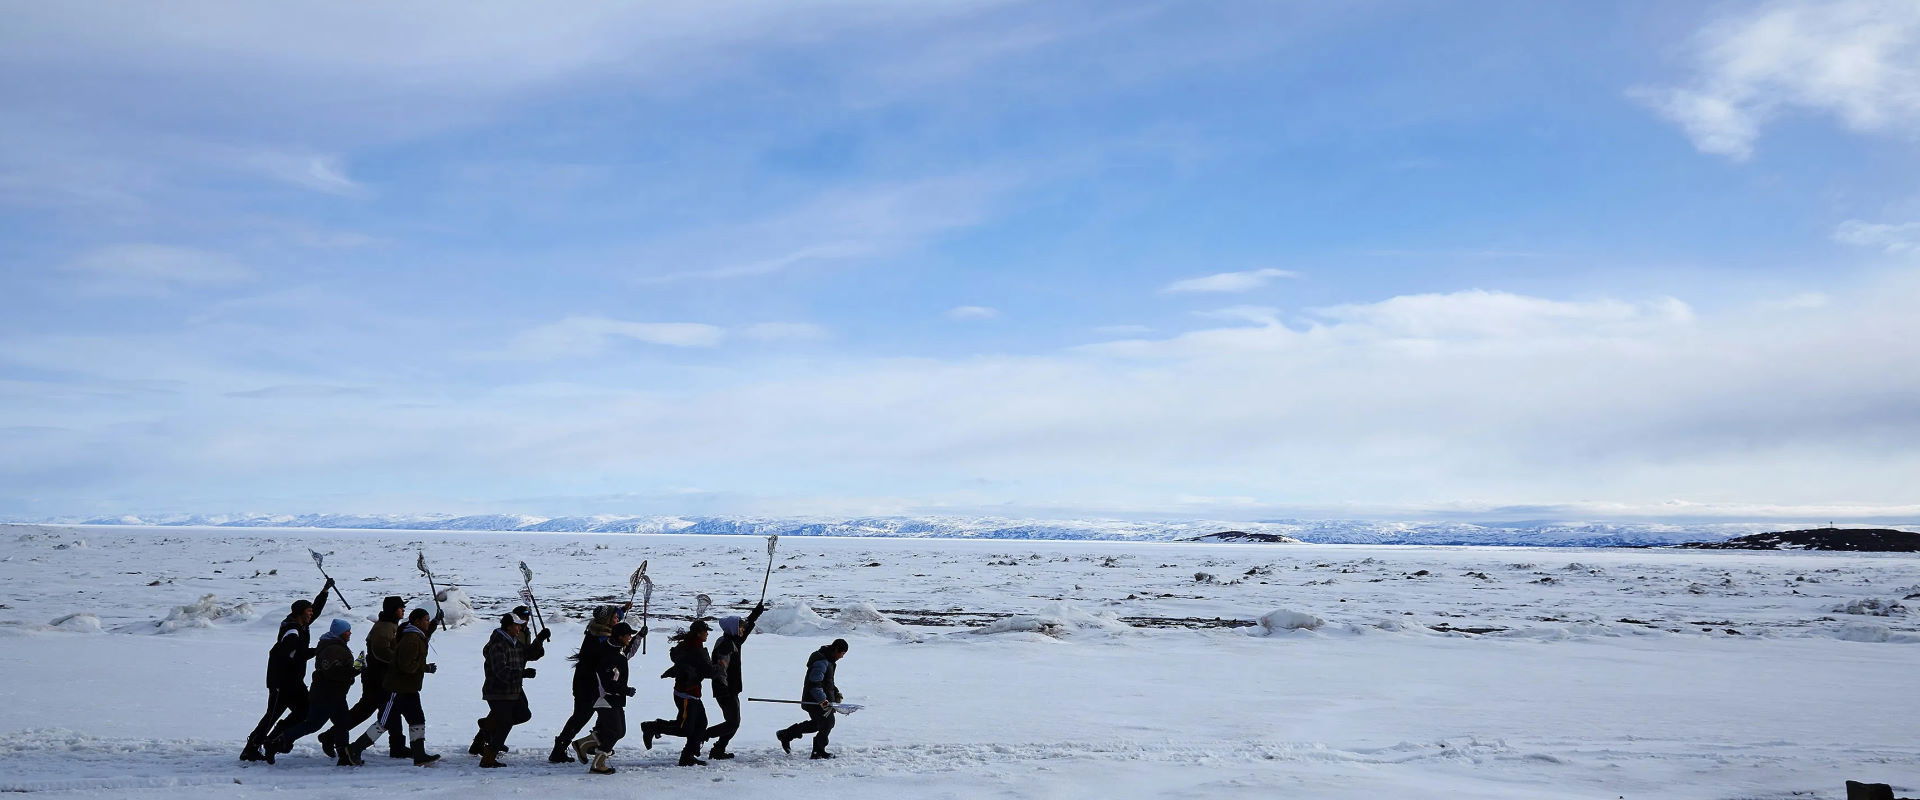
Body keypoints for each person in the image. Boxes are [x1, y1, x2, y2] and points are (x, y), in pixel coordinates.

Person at [240, 579, 332, 762]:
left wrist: (325, 591)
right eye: (308, 612)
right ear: (299, 614)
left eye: (311, 611)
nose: (311, 614)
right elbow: (297, 654)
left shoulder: (300, 623)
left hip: (294, 681)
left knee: (304, 711)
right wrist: (319, 650)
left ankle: (274, 737)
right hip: (281, 683)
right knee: (272, 715)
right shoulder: (292, 632)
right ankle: (251, 748)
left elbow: (316, 610)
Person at [346, 607, 442, 766]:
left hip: (409, 689)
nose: (427, 622)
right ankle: (355, 748)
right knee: (384, 722)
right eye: (425, 620)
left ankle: (419, 755)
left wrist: (435, 622)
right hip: (397, 689)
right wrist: (425, 667)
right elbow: (406, 666)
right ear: (417, 621)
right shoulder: (411, 638)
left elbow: (425, 636)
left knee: (417, 719)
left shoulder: (415, 634)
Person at [548, 603, 643, 763]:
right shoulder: (601, 638)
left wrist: (623, 609)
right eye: (615, 617)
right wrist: (637, 639)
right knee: (582, 717)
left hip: (593, 683)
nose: (618, 619)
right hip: (588, 684)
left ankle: (593, 744)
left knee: (602, 717)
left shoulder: (599, 629)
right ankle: (561, 748)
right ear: (606, 619)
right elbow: (620, 655)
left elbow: (613, 618)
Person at [264, 619, 361, 765]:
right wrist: (355, 670)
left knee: (342, 723)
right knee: (313, 724)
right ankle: (276, 743)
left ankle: (344, 756)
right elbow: (333, 672)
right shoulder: (333, 648)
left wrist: (353, 669)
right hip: (326, 694)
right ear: (341, 632)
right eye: (347, 630)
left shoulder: (333, 645)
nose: (350, 633)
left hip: (335, 693)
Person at [323, 596, 409, 760]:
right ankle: (332, 735)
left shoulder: (389, 625)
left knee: (387, 709)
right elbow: (381, 652)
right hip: (377, 677)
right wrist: (399, 661)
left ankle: (397, 745)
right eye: (400, 608)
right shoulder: (384, 628)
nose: (403, 610)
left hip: (380, 676)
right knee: (371, 711)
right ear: (393, 610)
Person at [472, 606, 550, 767]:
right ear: (508, 626)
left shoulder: (514, 642)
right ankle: (488, 758)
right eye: (518, 624)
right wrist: (523, 673)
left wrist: (540, 639)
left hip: (513, 688)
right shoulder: (499, 644)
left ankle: (488, 725)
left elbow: (530, 654)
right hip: (498, 690)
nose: (521, 627)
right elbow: (501, 672)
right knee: (505, 722)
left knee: (523, 714)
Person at [639, 620, 723, 766]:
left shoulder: (689, 645)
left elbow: (687, 665)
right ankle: (653, 727)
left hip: (689, 692)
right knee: (685, 728)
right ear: (699, 633)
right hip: (687, 693)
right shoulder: (696, 649)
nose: (707, 633)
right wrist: (720, 667)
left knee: (700, 724)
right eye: (705, 631)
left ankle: (687, 756)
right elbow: (708, 671)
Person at [573, 622, 638, 775]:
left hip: (611, 698)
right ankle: (598, 764)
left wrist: (639, 637)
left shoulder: (615, 650)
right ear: (620, 637)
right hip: (604, 698)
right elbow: (608, 683)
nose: (630, 637)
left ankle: (583, 744)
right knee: (614, 731)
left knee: (619, 731)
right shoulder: (610, 655)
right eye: (629, 635)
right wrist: (626, 690)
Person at [703, 603, 766, 759]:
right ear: (733, 628)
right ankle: (703, 737)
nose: (743, 630)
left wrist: (755, 614)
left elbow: (745, 631)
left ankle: (718, 749)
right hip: (725, 689)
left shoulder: (732, 640)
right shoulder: (726, 645)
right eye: (740, 627)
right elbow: (721, 669)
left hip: (730, 688)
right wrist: (723, 687)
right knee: (732, 723)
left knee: (733, 722)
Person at [777, 639, 849, 759]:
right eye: (842, 653)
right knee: (827, 723)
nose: (842, 657)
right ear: (836, 649)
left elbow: (826, 682)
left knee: (817, 724)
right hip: (814, 701)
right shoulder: (821, 662)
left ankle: (785, 734)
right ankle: (818, 751)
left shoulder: (828, 661)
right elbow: (814, 684)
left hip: (819, 700)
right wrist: (823, 700)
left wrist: (835, 692)